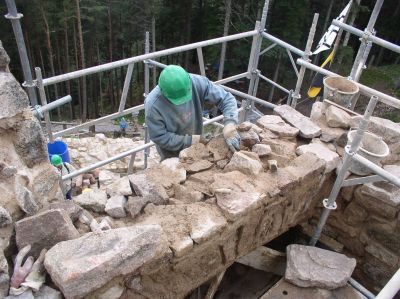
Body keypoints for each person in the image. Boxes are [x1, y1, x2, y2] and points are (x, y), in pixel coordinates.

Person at [145, 65, 240, 160]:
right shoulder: (153, 105)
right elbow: (160, 137)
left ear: (189, 82)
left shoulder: (198, 83)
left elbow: (227, 99)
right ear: (163, 92)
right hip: (171, 154)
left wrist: (230, 124)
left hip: (196, 147)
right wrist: (191, 140)